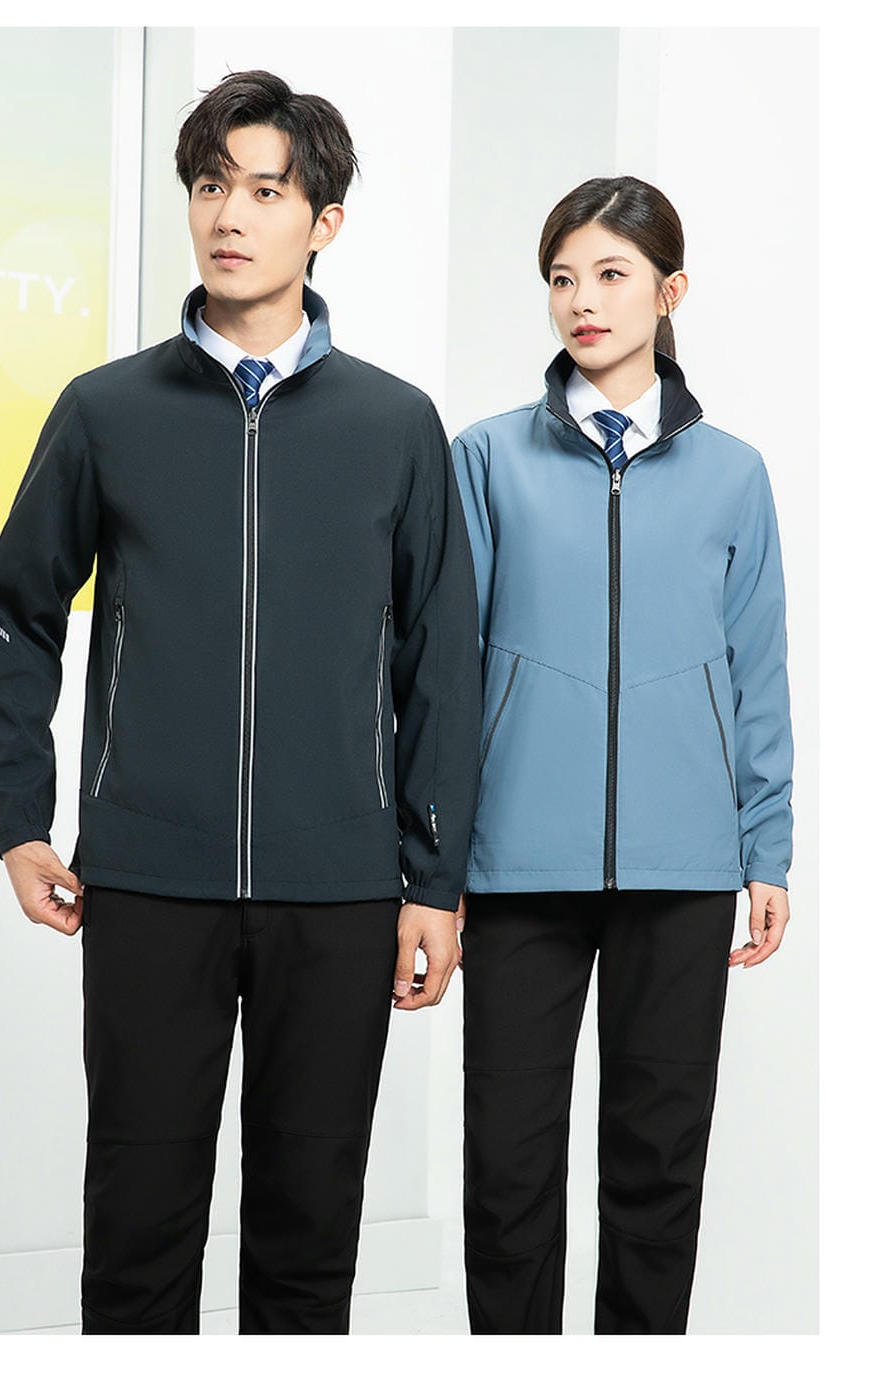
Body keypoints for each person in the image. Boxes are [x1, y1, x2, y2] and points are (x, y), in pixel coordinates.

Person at [0, 69, 481, 1336]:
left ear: (324, 221)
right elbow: (16, 610)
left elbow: (441, 659)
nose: (229, 215)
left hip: (339, 888)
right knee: (136, 1239)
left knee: (308, 1245)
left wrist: (434, 876)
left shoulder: (395, 424)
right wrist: (21, 820)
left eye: (264, 189)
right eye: (210, 185)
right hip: (150, 879)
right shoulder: (106, 411)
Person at [451, 175, 793, 1336]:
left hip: (683, 868)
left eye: (610, 274)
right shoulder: (485, 459)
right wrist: (433, 859)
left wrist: (765, 847)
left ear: (669, 290)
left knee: (656, 1169)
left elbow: (756, 671)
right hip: (514, 868)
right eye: (562, 278)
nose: (581, 302)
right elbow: (445, 673)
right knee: (508, 1172)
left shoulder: (734, 474)